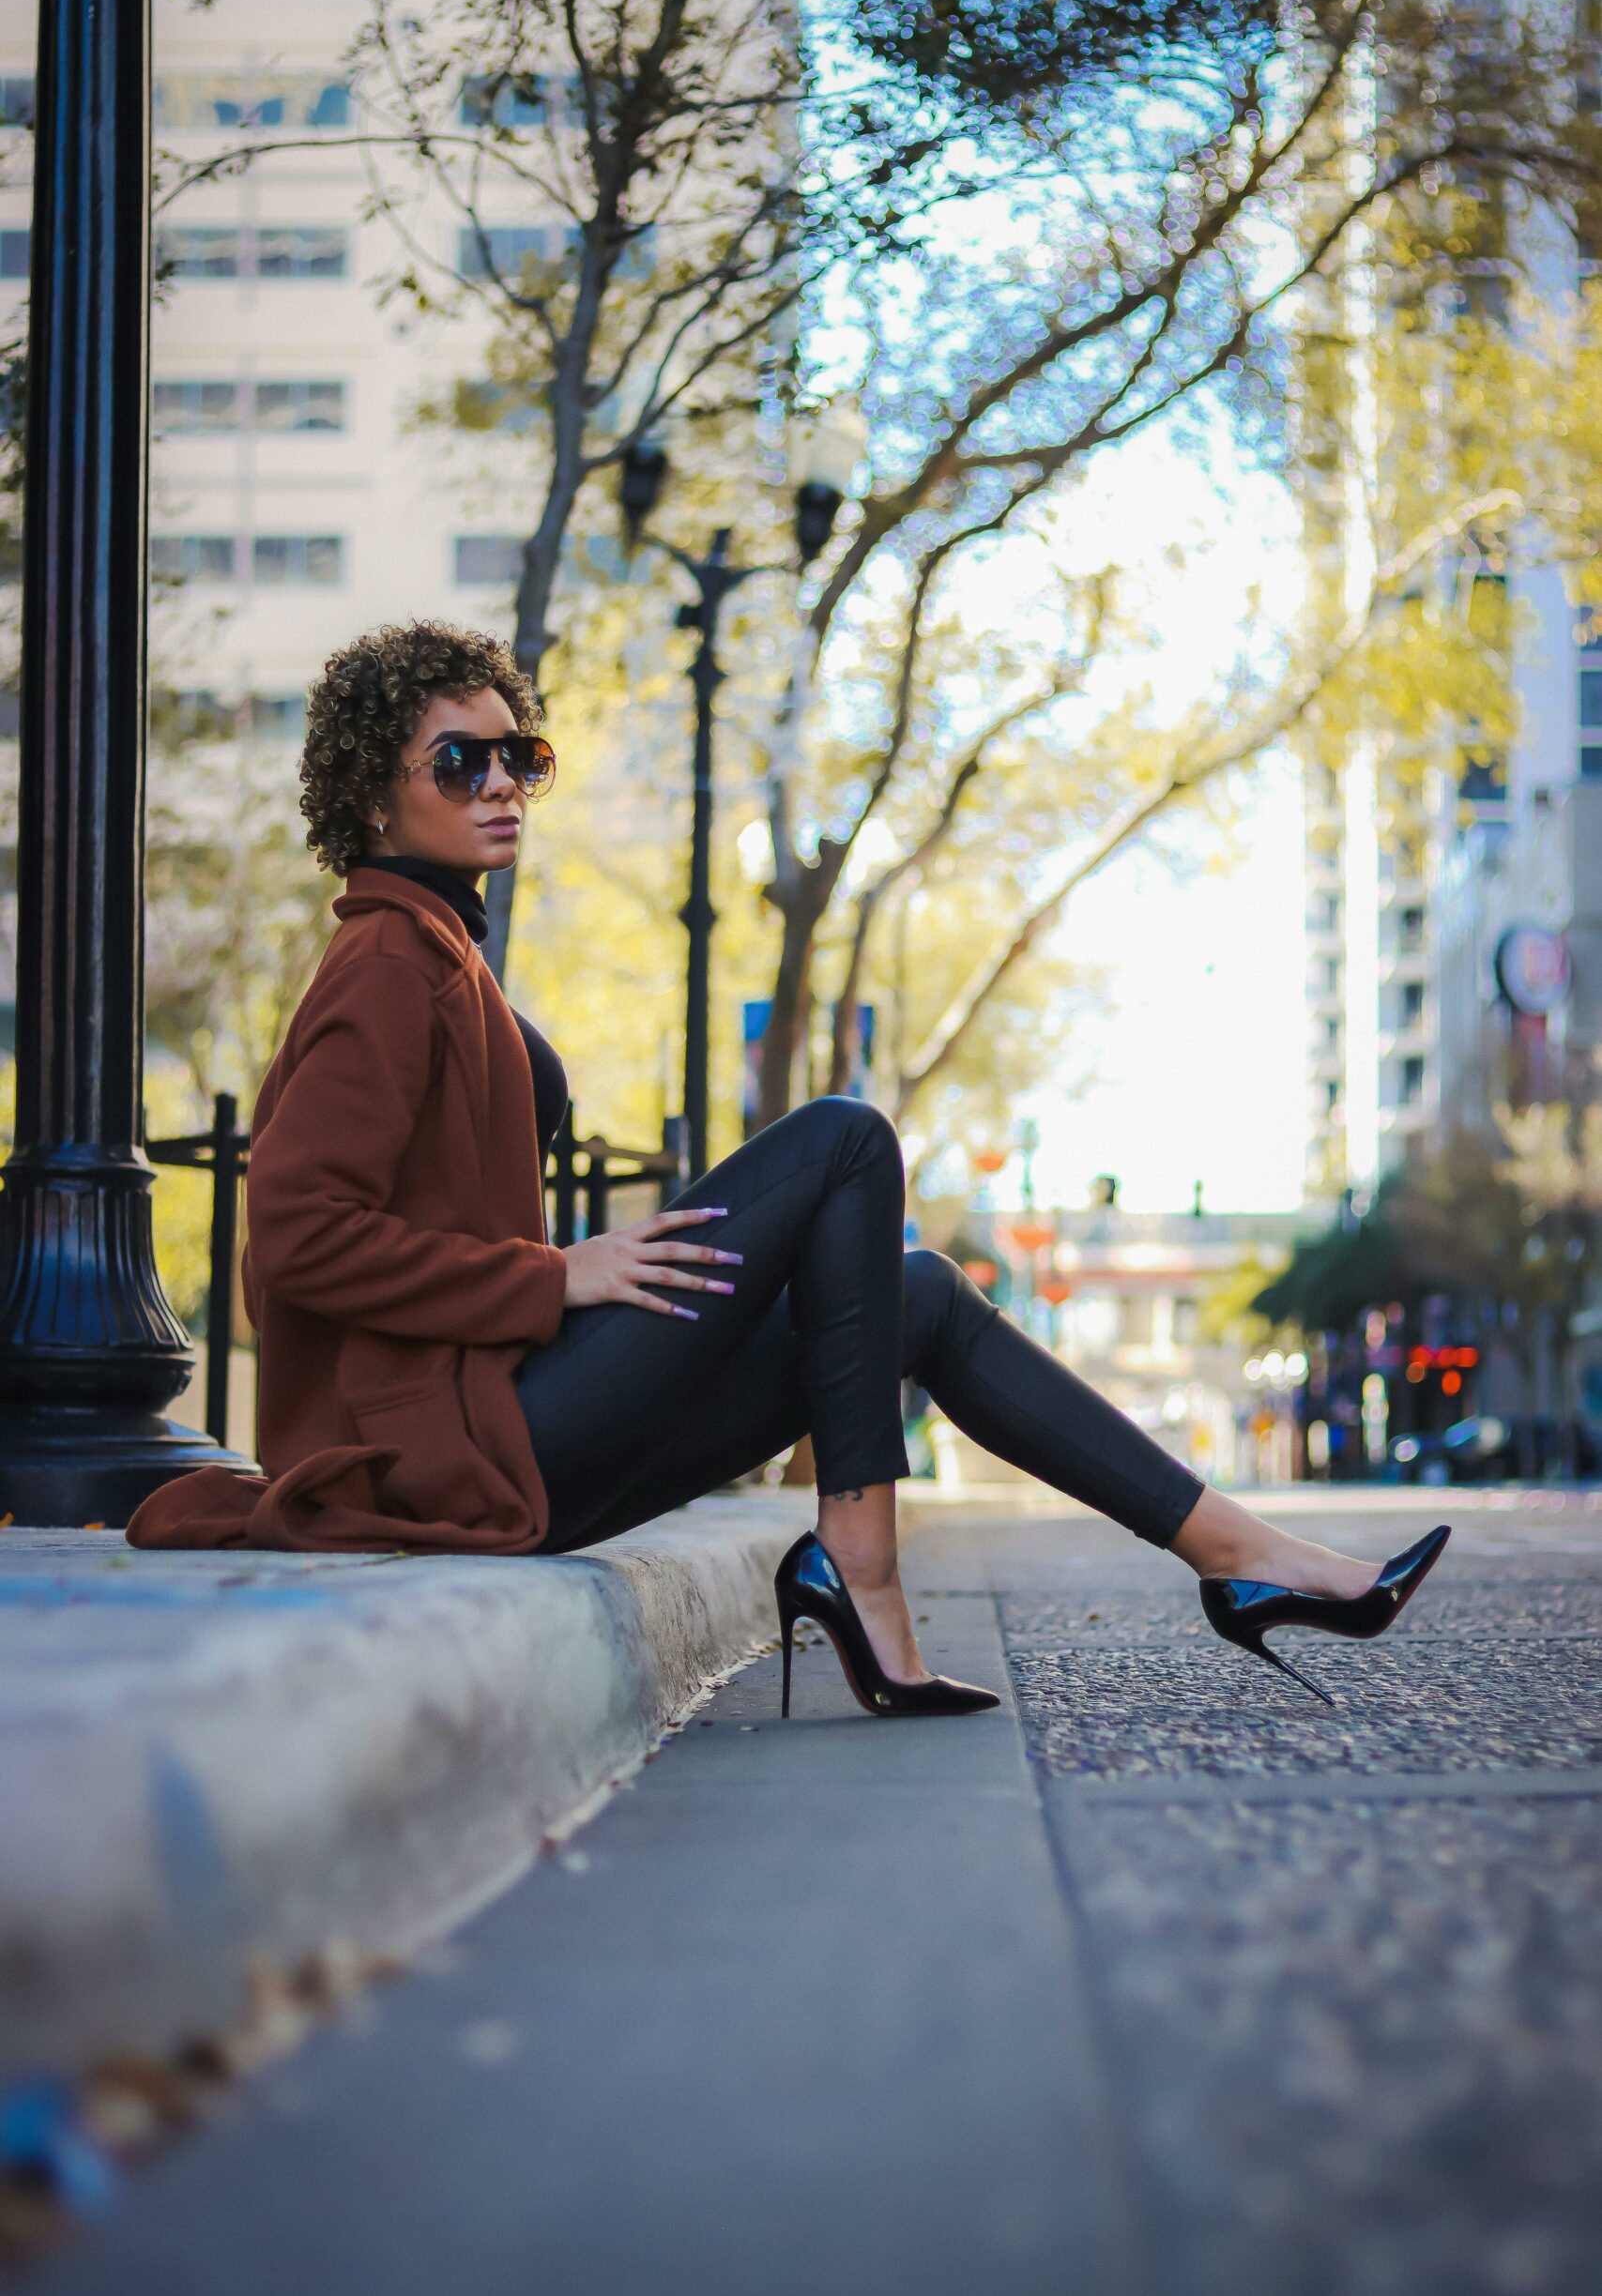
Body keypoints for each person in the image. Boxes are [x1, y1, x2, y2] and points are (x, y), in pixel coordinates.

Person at [126, 621, 1447, 1715]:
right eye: (458, 761)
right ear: (370, 794)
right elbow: (291, 1239)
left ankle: (1238, 1553)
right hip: (458, 1448)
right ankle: (859, 1564)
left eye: (517, 755)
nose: (500, 785)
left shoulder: (443, 951)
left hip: (513, 1440)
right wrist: (553, 1277)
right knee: (844, 1139)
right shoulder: (383, 962)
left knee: (917, 1293)